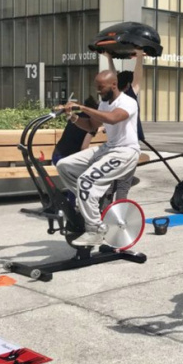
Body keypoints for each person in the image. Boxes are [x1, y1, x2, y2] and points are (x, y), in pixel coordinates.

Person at [56, 71, 141, 247]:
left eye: (101, 88)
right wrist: (73, 117)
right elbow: (90, 125)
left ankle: (95, 230)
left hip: (125, 152)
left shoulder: (128, 102)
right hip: (109, 149)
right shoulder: (104, 103)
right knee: (64, 165)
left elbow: (112, 119)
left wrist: (83, 107)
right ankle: (89, 202)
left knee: (86, 181)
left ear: (114, 85)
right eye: (97, 88)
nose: (98, 92)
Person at [106, 48, 145, 201]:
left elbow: (113, 75)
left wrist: (109, 57)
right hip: (127, 148)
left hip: (112, 146)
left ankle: (104, 213)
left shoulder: (112, 99)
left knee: (109, 184)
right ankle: (118, 216)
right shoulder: (130, 97)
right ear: (128, 85)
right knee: (123, 185)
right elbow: (138, 77)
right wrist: (140, 57)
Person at [52, 96, 99, 165]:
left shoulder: (75, 117)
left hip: (56, 155)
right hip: (68, 159)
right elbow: (84, 148)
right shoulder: (92, 125)